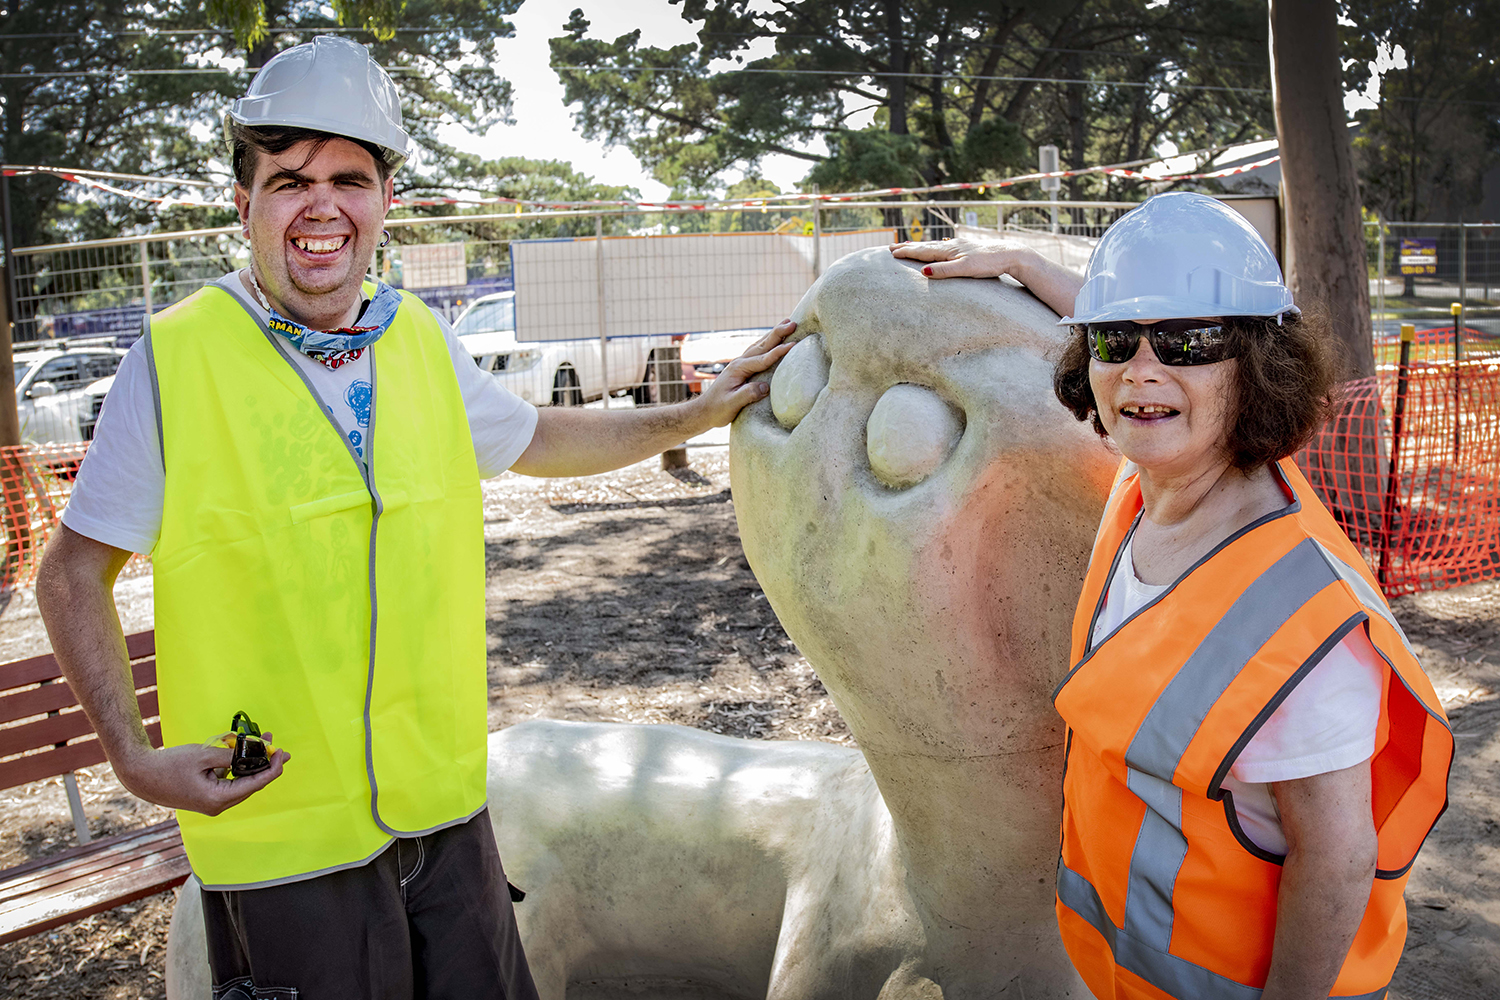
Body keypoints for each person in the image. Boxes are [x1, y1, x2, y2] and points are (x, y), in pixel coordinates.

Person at [35, 35, 791, 1000]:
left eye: (350, 178)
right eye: (288, 179)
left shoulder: (418, 338)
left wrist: (695, 413)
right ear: (245, 204)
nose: (322, 205)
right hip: (283, 841)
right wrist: (134, 763)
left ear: (385, 202)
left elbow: (540, 440)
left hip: (447, 823)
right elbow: (70, 574)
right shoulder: (176, 360)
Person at [894, 192, 1452, 1000]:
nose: (1143, 370)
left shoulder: (1304, 626)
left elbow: (1336, 859)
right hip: (1118, 967)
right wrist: (1022, 266)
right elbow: (1138, 362)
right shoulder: (1151, 483)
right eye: (1116, 341)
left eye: (1190, 342)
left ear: (1257, 368)